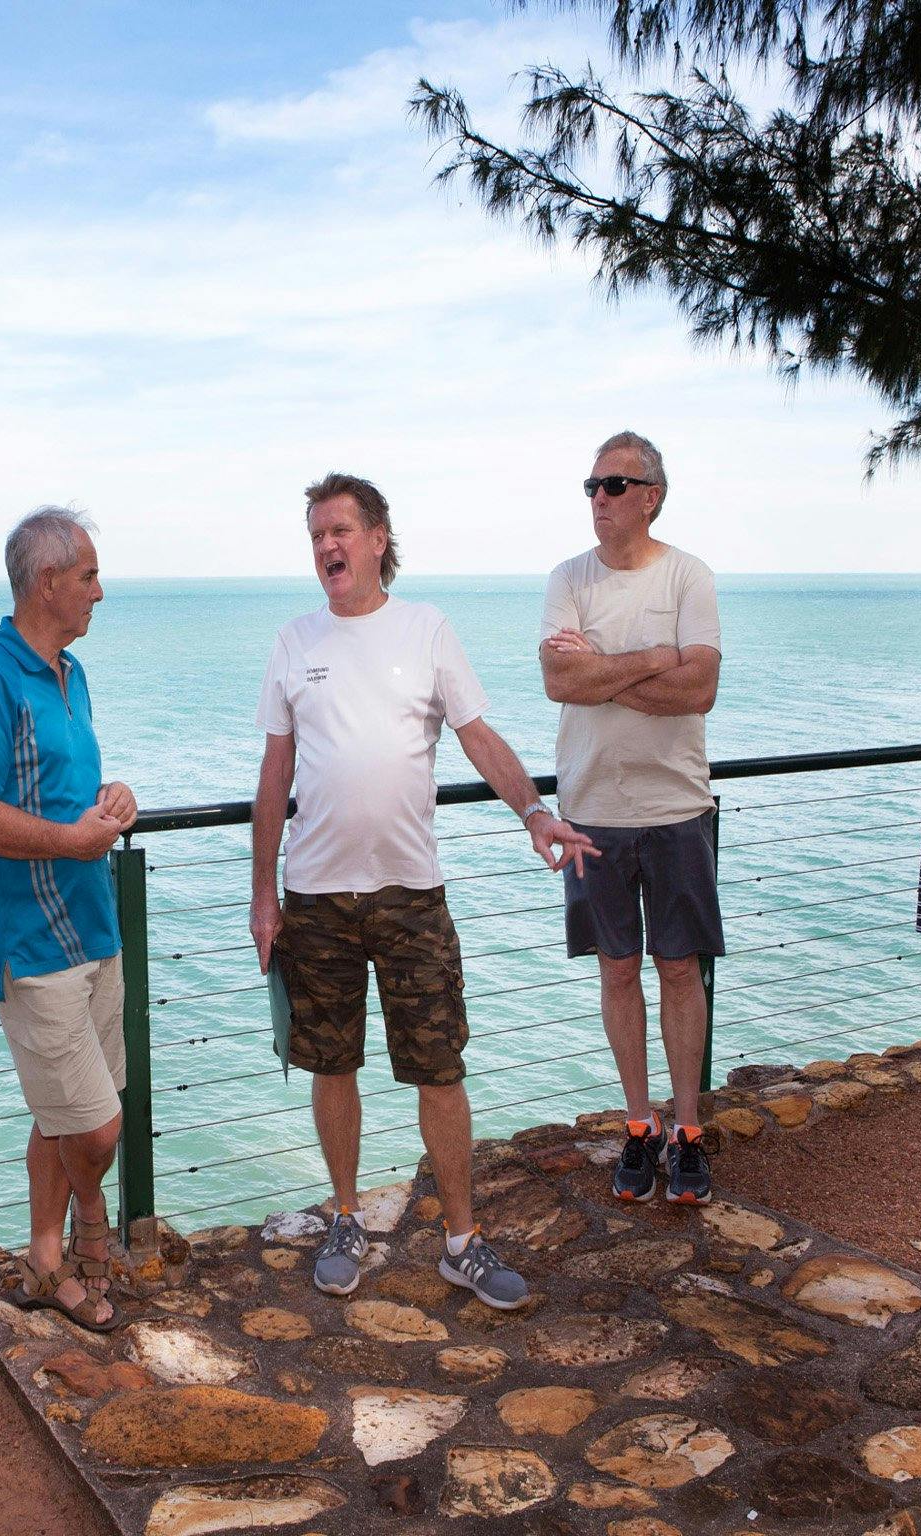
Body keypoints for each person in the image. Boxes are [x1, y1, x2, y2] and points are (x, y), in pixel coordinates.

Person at [251, 473, 594, 1308]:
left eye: (339, 531)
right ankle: (344, 1217)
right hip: (317, 897)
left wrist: (534, 813)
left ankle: (462, 1240)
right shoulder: (295, 641)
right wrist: (262, 895)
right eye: (315, 536)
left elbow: (478, 735)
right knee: (331, 1066)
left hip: (411, 894)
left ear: (376, 538)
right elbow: (274, 771)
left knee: (439, 1069)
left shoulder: (426, 629)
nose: (327, 547)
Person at [0, 508, 136, 1333]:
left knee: (61, 1113)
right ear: (48, 582)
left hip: (95, 927)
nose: (100, 589)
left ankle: (44, 1260)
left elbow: (63, 792)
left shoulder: (72, 673)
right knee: (95, 1127)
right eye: (89, 575)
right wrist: (66, 838)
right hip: (31, 941)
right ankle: (91, 1220)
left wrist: (112, 802)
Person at [540, 431, 726, 1205]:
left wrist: (603, 672)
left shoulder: (690, 576)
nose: (600, 499)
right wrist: (654, 656)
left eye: (615, 485)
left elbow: (700, 690)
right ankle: (640, 1125)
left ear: (651, 495)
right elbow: (558, 677)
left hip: (676, 805)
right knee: (618, 971)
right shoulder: (567, 578)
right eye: (591, 486)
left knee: (679, 969)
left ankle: (688, 1132)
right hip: (591, 811)